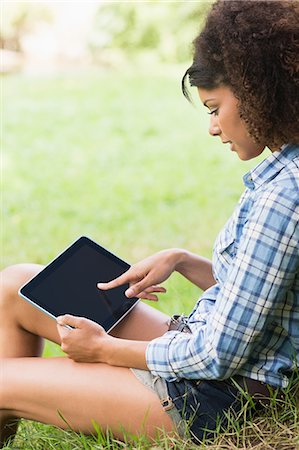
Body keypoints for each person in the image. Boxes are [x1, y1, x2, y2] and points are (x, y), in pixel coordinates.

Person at [1, 0, 298, 446]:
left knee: (2, 380)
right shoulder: (284, 175)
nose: (213, 128)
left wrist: (104, 351)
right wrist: (182, 260)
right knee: (17, 286)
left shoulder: (285, 198)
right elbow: (266, 296)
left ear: (260, 92)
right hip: (208, 363)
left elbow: (218, 355)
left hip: (209, 397)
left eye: (215, 108)